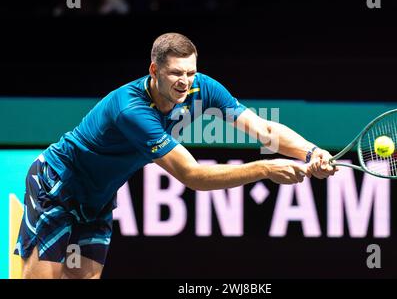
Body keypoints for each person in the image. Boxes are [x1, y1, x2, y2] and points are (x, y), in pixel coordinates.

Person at [14, 32, 337, 279]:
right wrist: (265, 168)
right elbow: (192, 176)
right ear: (154, 70)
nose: (185, 82)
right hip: (56, 185)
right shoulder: (132, 110)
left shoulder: (202, 88)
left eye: (191, 72)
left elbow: (263, 130)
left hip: (97, 198)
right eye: (175, 74)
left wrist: (311, 151)